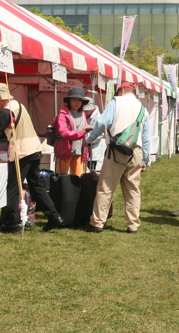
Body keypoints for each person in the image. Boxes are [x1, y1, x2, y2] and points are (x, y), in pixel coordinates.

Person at [0, 84, 65, 233]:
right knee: (36, 185)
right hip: (34, 148)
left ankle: (12, 223)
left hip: (22, 151)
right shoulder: (19, 105)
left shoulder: (6, 111)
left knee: (13, 188)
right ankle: (54, 216)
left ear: (0, 98)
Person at [85, 82, 152, 233]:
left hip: (116, 150)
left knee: (106, 187)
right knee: (132, 189)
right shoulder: (142, 108)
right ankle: (132, 225)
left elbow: (102, 123)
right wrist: (144, 159)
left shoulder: (116, 102)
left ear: (121, 91)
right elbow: (146, 137)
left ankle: (97, 223)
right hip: (136, 150)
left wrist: (89, 139)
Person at [53, 86, 92, 177]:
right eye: (74, 99)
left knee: (78, 178)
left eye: (79, 100)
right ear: (69, 101)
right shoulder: (62, 115)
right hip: (65, 151)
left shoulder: (83, 114)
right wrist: (82, 133)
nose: (77, 102)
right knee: (62, 178)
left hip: (79, 152)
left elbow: (84, 132)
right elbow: (63, 133)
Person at [83, 100, 107, 172]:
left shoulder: (99, 117)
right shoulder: (82, 115)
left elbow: (100, 134)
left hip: (94, 147)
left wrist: (87, 140)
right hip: (83, 148)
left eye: (87, 110)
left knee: (92, 169)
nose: (86, 111)